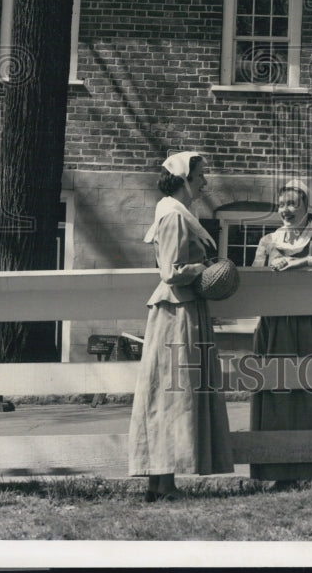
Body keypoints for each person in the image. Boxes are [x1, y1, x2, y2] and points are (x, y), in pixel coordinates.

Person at [128, 151, 233, 500]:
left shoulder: (177, 212)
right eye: (201, 175)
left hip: (185, 311)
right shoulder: (173, 216)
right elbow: (170, 272)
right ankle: (163, 483)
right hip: (177, 313)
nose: (205, 182)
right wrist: (206, 268)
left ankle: (160, 483)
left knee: (175, 393)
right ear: (184, 178)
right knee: (173, 395)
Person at [249, 179, 312, 488]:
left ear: (308, 209)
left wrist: (304, 262)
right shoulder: (268, 241)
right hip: (274, 326)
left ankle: (308, 469)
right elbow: (253, 277)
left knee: (307, 393)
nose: (286, 209)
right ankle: (276, 473)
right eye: (282, 203)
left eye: (294, 203)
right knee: (275, 393)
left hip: (307, 325)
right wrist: (269, 269)